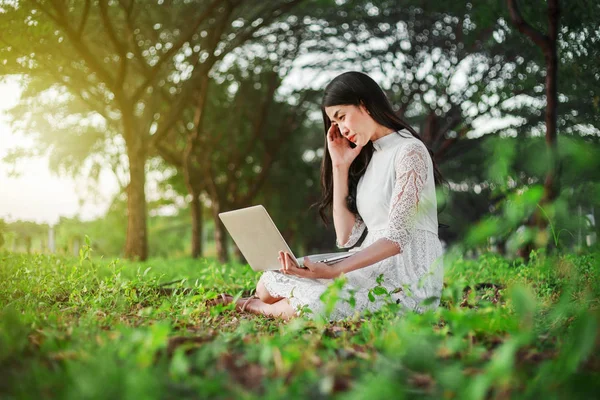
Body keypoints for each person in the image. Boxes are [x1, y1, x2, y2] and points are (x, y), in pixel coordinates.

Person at [213, 71, 444, 320]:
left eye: (342, 117)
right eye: (336, 124)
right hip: (368, 268)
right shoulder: (373, 156)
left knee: (315, 303)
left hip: (407, 278)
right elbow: (345, 236)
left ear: (364, 104)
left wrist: (334, 272)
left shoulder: (409, 151)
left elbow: (396, 239)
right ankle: (271, 301)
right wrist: (340, 166)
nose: (342, 130)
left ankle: (257, 307)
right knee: (268, 283)